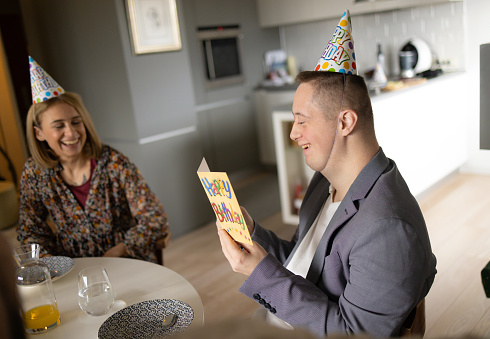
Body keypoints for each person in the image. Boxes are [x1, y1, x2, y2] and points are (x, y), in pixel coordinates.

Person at [216, 11, 436, 337]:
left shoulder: (388, 230)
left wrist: (260, 272)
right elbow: (304, 260)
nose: (293, 133)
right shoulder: (324, 181)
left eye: (302, 120)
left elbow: (352, 334)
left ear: (345, 123)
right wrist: (253, 234)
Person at [17, 56, 169, 263]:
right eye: (59, 126)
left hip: (127, 263)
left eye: (76, 122)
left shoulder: (114, 163)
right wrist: (52, 264)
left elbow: (155, 219)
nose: (71, 133)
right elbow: (31, 231)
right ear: (39, 133)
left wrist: (121, 249)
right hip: (73, 269)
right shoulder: (35, 173)